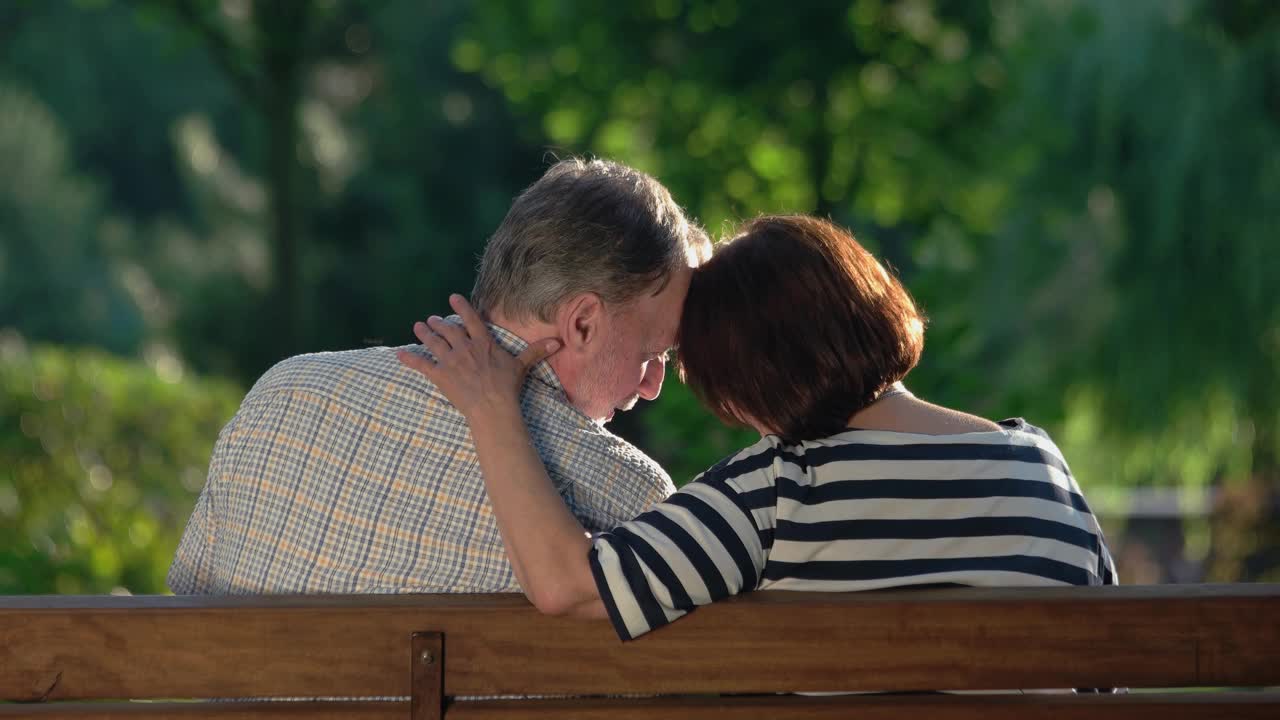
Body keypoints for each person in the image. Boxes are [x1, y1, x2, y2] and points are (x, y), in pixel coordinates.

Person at [399, 214, 1118, 641]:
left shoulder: (775, 494)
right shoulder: (1040, 468)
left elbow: (567, 586)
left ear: (747, 381)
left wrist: (494, 405)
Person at [167, 158, 711, 594]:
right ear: (583, 323)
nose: (652, 384)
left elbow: (191, 604)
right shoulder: (628, 497)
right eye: (651, 352)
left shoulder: (281, 394)